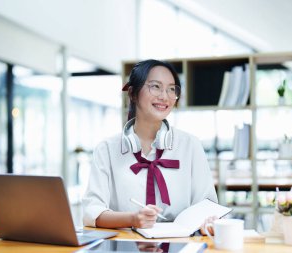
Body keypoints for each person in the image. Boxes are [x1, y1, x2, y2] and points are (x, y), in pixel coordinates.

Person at [82, 59, 217, 233]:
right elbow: (92, 212)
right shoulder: (107, 149)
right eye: (155, 86)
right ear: (132, 93)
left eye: (171, 89)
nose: (164, 96)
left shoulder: (190, 146)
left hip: (179, 245)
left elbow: (207, 205)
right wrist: (132, 219)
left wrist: (209, 222)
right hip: (126, 245)